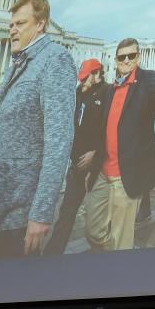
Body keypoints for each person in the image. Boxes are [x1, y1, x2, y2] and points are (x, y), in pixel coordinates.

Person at [0, 0, 76, 259]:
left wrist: (41, 213)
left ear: (40, 25)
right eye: (10, 25)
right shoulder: (20, 62)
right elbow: (11, 124)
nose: (12, 30)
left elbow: (58, 141)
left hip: (19, 211)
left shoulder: (55, 59)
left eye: (20, 23)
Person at [84, 38, 155, 251]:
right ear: (115, 61)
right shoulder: (110, 89)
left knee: (121, 239)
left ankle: (117, 274)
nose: (126, 60)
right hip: (103, 171)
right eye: (122, 57)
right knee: (93, 230)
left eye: (131, 56)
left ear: (138, 57)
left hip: (128, 174)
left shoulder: (150, 80)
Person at [44, 59, 108, 255]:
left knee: (97, 220)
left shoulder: (108, 93)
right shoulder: (78, 93)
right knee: (66, 213)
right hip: (77, 167)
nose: (82, 82)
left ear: (96, 74)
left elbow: (111, 130)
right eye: (81, 78)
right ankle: (52, 255)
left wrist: (96, 153)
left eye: (86, 77)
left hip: (99, 167)